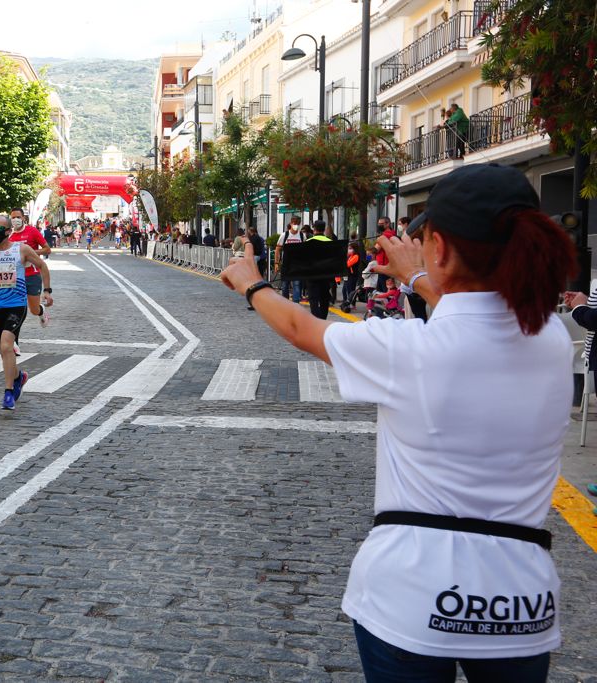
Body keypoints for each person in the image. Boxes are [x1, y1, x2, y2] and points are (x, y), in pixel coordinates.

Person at [220, 162, 577, 682]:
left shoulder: (406, 349)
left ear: (443, 248)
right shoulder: (550, 340)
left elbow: (301, 327)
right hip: (520, 605)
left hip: (412, 597)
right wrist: (417, 278)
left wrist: (253, 284)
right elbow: (475, 315)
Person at [0, 214, 53, 410]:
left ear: (8, 232)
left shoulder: (21, 249)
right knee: (3, 349)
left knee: (7, 344)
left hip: (16, 305)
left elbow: (42, 266)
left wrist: (47, 291)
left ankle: (8, 393)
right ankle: (19, 376)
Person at [305, 220, 333, 319]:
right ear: (324, 229)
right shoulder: (330, 242)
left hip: (312, 275)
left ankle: (316, 319)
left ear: (314, 229)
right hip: (325, 275)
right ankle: (323, 318)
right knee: (324, 298)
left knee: (313, 299)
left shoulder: (308, 242)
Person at [275, 217, 305, 303]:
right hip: (286, 264)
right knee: (285, 285)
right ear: (291, 223)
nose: (296, 225)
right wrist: (276, 263)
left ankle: (296, 303)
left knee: (297, 284)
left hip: (297, 265)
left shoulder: (302, 235)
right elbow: (278, 249)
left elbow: (305, 250)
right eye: (294, 223)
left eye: (298, 224)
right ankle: (285, 302)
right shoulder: (285, 235)